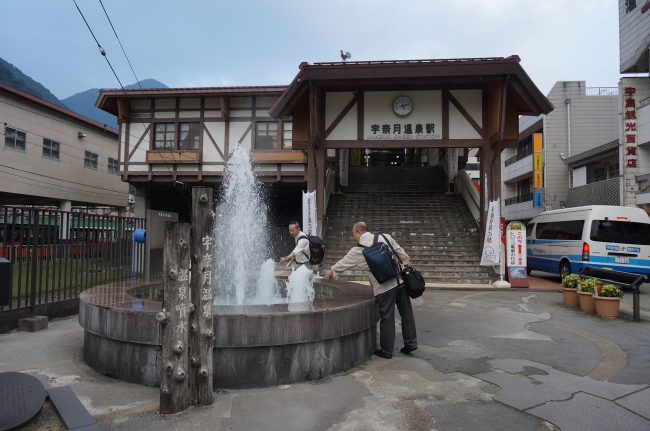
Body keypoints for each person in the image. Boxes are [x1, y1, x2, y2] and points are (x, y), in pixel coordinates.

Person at [324, 222, 417, 359]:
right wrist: (407, 264)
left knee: (387, 319)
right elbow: (400, 252)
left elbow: (341, 265)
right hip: (400, 282)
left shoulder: (358, 250)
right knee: (407, 313)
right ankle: (411, 343)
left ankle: (387, 351)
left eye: (354, 233)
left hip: (384, 288)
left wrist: (329, 275)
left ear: (360, 232)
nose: (354, 236)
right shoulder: (385, 237)